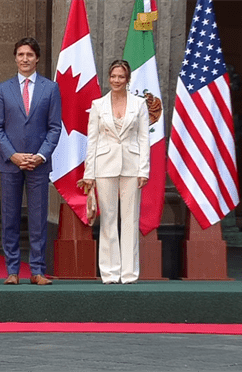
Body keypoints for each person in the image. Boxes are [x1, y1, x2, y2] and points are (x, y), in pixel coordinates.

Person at [0, 37, 62, 285]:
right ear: (15, 58)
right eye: (20, 54)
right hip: (11, 164)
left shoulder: (50, 88)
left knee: (38, 217)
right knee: (9, 217)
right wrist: (13, 155)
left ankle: (37, 270)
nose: (25, 59)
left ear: (37, 58)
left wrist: (41, 155)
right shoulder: (4, 89)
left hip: (38, 164)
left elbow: (54, 127)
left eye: (29, 55)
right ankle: (12, 270)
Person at [83, 60, 149, 284]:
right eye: (113, 76)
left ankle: (129, 273)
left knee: (130, 219)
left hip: (132, 165)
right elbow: (92, 141)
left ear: (128, 79)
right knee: (109, 219)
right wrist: (89, 173)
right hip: (104, 165)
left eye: (121, 77)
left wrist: (144, 170)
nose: (116, 81)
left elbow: (144, 139)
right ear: (108, 78)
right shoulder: (98, 105)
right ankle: (109, 273)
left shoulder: (139, 104)